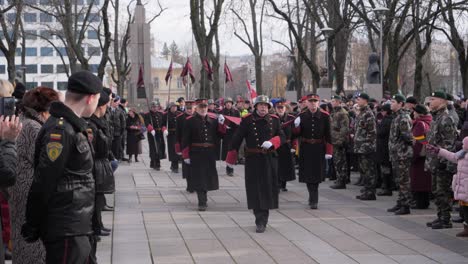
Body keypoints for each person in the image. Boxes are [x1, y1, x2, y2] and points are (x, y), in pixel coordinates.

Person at [22, 70, 102, 263]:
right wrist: (32, 224)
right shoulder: (60, 129)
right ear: (91, 98)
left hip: (78, 226)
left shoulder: (72, 126)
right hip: (67, 228)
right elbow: (44, 181)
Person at [9, 87, 58, 264]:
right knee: (34, 245)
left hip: (19, 191)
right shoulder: (34, 128)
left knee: (21, 240)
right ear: (44, 110)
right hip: (31, 194)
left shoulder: (22, 121)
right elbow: (44, 164)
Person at [226, 95, 285, 233]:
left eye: (265, 105)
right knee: (255, 189)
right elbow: (237, 137)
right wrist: (231, 157)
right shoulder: (247, 120)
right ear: (256, 106)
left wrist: (273, 142)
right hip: (253, 159)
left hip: (269, 158)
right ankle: (259, 219)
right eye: (260, 105)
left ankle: (263, 218)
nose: (263, 107)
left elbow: (282, 136)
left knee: (267, 188)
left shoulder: (274, 120)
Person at [181, 99, 226, 211]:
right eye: (201, 107)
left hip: (209, 153)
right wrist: (186, 155)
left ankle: (204, 197)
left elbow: (220, 135)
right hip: (196, 152)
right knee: (199, 177)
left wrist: (221, 124)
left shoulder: (213, 120)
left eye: (205, 107)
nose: (203, 109)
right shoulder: (190, 121)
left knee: (207, 176)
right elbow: (185, 139)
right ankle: (202, 201)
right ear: (196, 108)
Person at [86, 89, 114, 263]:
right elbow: (96, 148)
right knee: (95, 201)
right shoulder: (91, 124)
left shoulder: (100, 122)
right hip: (95, 166)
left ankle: (97, 227)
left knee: (99, 200)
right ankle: (96, 229)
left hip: (100, 164)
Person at [425, 91, 458, 229]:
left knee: (442, 191)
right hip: (434, 161)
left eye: (433, 99)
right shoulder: (436, 118)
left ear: (442, 101)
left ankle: (445, 219)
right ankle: (440, 216)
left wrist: (444, 161)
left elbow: (449, 143)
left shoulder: (446, 118)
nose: (430, 102)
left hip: (442, 162)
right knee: (436, 191)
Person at [293, 94, 332, 209]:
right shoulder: (302, 116)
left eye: (315, 101)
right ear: (307, 103)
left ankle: (314, 198)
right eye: (311, 101)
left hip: (319, 147)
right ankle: (312, 197)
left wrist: (329, 151)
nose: (313, 103)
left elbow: (328, 134)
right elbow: (296, 134)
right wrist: (296, 126)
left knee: (316, 174)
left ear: (318, 103)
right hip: (306, 148)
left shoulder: (325, 116)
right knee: (308, 174)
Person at [427, 137, 468, 237]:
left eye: (464, 144)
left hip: (466, 187)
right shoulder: (462, 154)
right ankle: (466, 228)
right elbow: (452, 156)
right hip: (463, 188)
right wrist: (439, 151)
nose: (462, 146)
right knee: (465, 209)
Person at [387, 94, 413, 215]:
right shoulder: (396, 117)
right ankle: (400, 202)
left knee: (404, 181)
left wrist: (399, 148)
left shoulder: (403, 117)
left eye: (393, 101)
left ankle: (405, 205)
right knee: (399, 180)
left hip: (402, 154)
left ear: (401, 104)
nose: (391, 104)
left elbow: (408, 136)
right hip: (396, 153)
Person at [353, 93, 378, 200]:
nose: (357, 101)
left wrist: (367, 146)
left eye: (359, 99)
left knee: (369, 171)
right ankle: (367, 190)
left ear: (365, 101)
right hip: (360, 147)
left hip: (366, 148)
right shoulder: (362, 113)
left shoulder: (368, 114)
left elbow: (371, 132)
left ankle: (370, 192)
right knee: (364, 170)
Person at [410, 104, 432, 209]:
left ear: (420, 114)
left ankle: (420, 203)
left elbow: (418, 143)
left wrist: (413, 156)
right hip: (427, 156)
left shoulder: (419, 124)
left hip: (419, 158)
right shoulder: (429, 121)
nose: (413, 113)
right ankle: (423, 201)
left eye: (415, 112)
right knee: (425, 181)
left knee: (418, 181)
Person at [274, 99, 296, 191]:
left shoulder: (291, 118)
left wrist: (294, 146)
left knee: (286, 165)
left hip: (287, 145)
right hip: (277, 145)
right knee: (277, 165)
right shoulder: (273, 118)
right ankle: (278, 183)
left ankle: (284, 184)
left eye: (282, 107)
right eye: (278, 108)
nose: (280, 109)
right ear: (275, 109)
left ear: (285, 108)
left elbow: (295, 134)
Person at [329, 95, 350, 189]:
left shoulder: (342, 113)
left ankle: (342, 181)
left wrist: (340, 140)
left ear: (338, 102)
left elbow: (344, 129)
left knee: (340, 161)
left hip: (339, 141)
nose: (332, 103)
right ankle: (339, 179)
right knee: (337, 161)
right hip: (334, 140)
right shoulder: (334, 112)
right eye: (332, 101)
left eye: (333, 101)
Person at [376, 104, 394, 196]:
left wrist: (378, 126)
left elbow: (381, 132)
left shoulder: (387, 120)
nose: (381, 113)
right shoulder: (390, 119)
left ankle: (387, 187)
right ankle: (386, 186)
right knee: (386, 168)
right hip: (385, 147)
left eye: (382, 111)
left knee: (386, 169)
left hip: (384, 148)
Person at [175, 101, 194, 191]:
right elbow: (177, 133)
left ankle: (194, 184)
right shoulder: (180, 118)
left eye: (191, 109)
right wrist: (178, 146)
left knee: (195, 166)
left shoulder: (196, 117)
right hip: (185, 145)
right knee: (186, 166)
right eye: (188, 109)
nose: (190, 110)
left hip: (195, 145)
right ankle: (189, 184)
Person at [144, 99, 166, 170]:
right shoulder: (147, 115)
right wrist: (151, 129)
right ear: (151, 107)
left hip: (159, 133)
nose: (154, 108)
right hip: (152, 134)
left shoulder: (160, 114)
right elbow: (147, 123)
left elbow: (163, 123)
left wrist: (164, 129)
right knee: (154, 148)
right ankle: (154, 162)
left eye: (155, 107)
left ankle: (158, 161)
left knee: (159, 147)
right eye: (153, 107)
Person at [221, 97, 241, 176]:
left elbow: (239, 122)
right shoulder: (222, 112)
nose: (228, 104)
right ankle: (228, 167)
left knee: (232, 151)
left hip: (234, 134)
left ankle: (230, 168)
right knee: (227, 151)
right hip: (225, 135)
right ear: (225, 104)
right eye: (227, 103)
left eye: (230, 103)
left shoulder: (236, 112)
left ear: (232, 104)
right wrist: (223, 125)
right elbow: (219, 123)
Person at [163, 102, 181, 173]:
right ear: (170, 107)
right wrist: (164, 130)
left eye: (175, 107)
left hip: (178, 134)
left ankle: (174, 165)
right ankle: (174, 166)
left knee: (178, 150)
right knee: (173, 150)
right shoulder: (166, 115)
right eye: (173, 107)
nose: (174, 108)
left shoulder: (179, 114)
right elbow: (163, 124)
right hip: (171, 135)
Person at [109, 96, 126, 161]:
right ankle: (111, 158)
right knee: (110, 146)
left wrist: (121, 132)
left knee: (116, 147)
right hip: (110, 132)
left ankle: (116, 158)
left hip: (117, 132)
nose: (118, 104)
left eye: (118, 103)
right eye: (117, 103)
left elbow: (123, 122)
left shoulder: (120, 111)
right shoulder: (108, 110)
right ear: (113, 102)